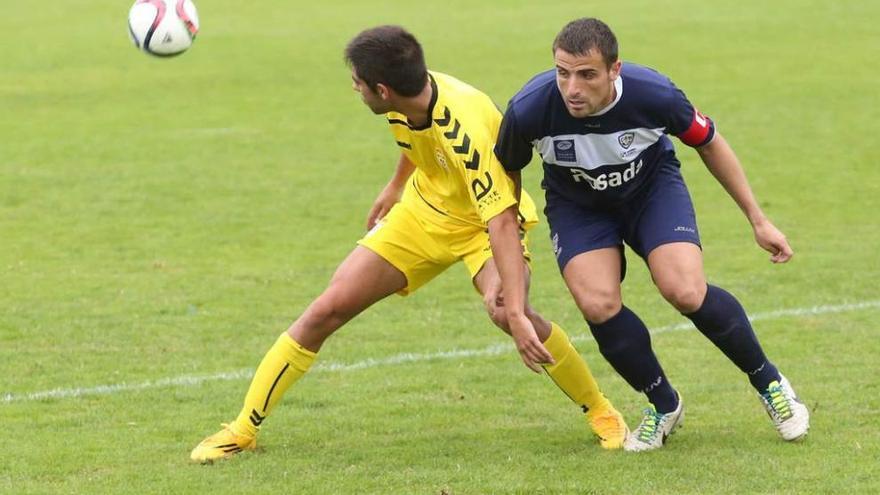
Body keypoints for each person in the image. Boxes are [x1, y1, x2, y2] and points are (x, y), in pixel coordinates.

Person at [190, 25, 628, 463]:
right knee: (326, 309)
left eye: (359, 85)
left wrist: (514, 308)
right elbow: (415, 131)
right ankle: (242, 429)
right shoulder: (407, 90)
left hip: (484, 224)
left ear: (381, 89)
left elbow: (499, 219)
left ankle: (601, 410)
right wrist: (396, 184)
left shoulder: (466, 133)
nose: (355, 89)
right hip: (421, 213)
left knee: (507, 312)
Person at [494, 18, 810, 452]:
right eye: (562, 72)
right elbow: (503, 199)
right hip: (578, 206)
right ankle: (663, 404)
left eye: (586, 74)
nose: (572, 87)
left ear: (614, 70)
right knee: (597, 302)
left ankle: (770, 382)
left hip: (651, 191)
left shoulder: (654, 94)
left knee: (684, 289)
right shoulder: (529, 109)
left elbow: (709, 142)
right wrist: (513, 284)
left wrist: (758, 219)